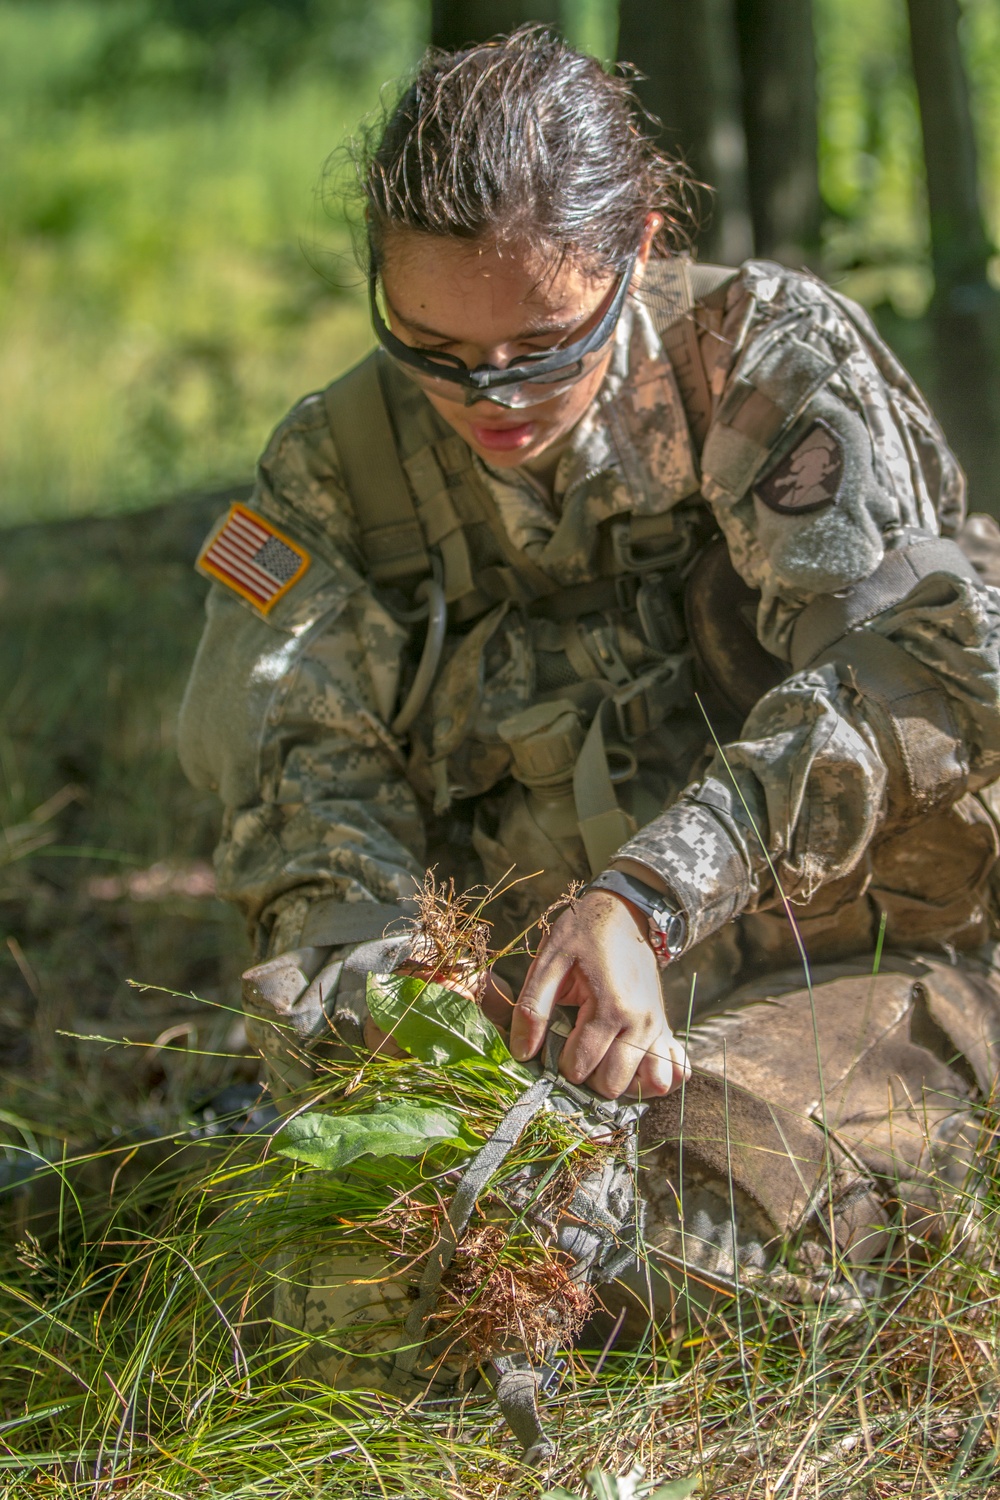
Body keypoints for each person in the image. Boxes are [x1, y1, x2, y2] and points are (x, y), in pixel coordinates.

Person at [179, 26, 1000, 1395]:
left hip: (882, 972)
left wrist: (647, 897)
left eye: (545, 344)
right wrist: (414, 1034)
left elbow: (917, 687)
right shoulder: (336, 476)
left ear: (646, 240)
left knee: (669, 1235)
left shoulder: (763, 366)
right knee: (354, 1249)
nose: (491, 397)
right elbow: (299, 818)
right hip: (548, 1059)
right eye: (435, 348)